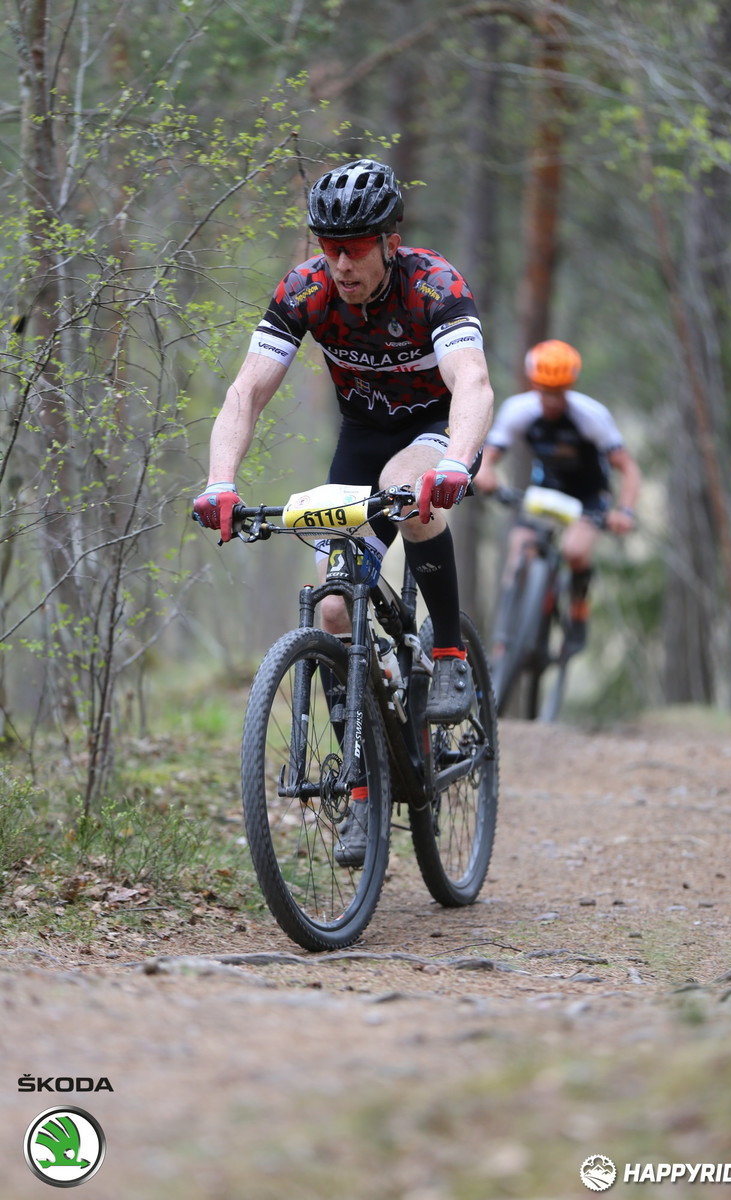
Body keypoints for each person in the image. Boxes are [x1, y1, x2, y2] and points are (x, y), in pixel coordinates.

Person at [193, 158, 494, 861]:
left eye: (355, 246)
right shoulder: (304, 290)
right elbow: (245, 394)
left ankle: (446, 648)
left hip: (438, 432)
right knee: (332, 611)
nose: (341, 261)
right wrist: (220, 482)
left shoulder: (433, 284)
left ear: (391, 239)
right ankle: (359, 785)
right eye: (328, 245)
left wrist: (454, 463)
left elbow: (473, 382)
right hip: (361, 440)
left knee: (409, 491)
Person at [473, 339, 641, 652]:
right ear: (533, 384)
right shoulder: (519, 410)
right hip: (547, 490)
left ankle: (578, 609)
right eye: (543, 389)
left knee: (576, 552)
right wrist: (487, 477)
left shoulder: (591, 416)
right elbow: (489, 457)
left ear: (569, 387)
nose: (550, 399)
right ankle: (505, 634)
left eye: (558, 391)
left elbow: (628, 469)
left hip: (589, 496)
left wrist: (625, 512)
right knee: (519, 547)